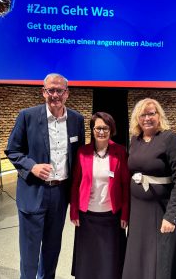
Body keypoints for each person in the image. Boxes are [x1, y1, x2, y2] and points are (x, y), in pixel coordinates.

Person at [5, 73, 85, 279]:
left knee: (52, 248)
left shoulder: (77, 120)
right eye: (51, 90)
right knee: (30, 252)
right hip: (33, 192)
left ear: (67, 94)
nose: (55, 95)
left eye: (60, 90)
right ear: (43, 92)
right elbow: (12, 150)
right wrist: (31, 166)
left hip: (60, 194)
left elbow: (78, 157)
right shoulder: (27, 116)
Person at [122, 98, 176, 279]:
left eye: (151, 113)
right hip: (138, 211)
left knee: (160, 256)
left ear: (159, 116)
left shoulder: (170, 139)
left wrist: (171, 216)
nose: (147, 118)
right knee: (139, 254)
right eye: (143, 114)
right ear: (137, 118)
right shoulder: (135, 139)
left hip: (161, 210)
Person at [70, 112, 130, 279]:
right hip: (87, 216)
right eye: (97, 128)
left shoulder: (120, 152)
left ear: (111, 130)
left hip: (111, 217)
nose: (101, 132)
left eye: (105, 128)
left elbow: (126, 185)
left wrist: (125, 213)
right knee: (88, 260)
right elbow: (75, 184)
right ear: (92, 129)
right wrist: (74, 210)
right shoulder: (83, 152)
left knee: (110, 262)